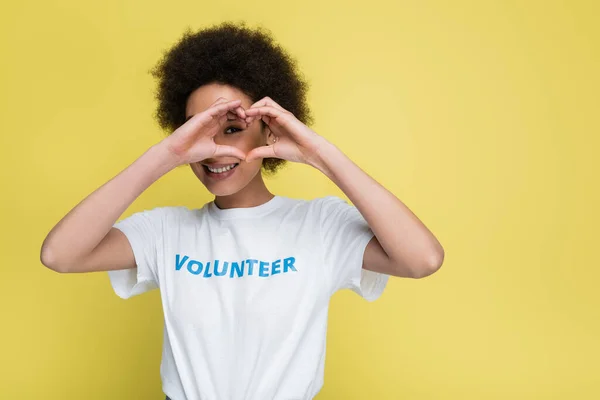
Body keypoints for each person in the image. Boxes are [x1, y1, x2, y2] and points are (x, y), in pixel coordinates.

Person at [40, 22, 444, 400]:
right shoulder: (165, 230)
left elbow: (422, 259)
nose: (216, 149)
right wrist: (168, 155)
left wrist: (319, 153)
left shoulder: (321, 225)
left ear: (270, 129)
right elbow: (59, 254)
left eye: (232, 129)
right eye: (198, 131)